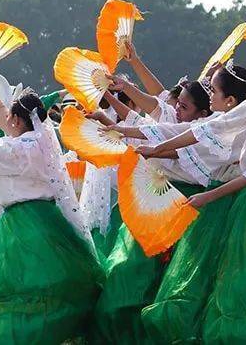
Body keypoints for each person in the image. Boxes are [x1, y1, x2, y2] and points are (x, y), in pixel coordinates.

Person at [0, 61, 101, 343]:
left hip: (19, 223)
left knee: (16, 290)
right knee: (47, 287)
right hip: (48, 220)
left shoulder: (12, 148)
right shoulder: (43, 140)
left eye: (11, 117)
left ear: (17, 121)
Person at [131, 62, 246, 343]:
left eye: (213, 90)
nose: (208, 94)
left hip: (229, 207)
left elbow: (190, 139)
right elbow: (185, 133)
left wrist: (156, 149)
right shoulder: (230, 119)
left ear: (230, 101)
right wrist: (148, 144)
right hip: (221, 202)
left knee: (210, 280)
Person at [91, 80, 212, 344]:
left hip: (183, 203)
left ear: (204, 112)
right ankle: (124, 331)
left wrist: (120, 127)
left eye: (184, 106)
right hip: (157, 198)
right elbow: (148, 116)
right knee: (131, 272)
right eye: (177, 103)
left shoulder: (205, 131)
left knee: (164, 277)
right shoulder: (176, 116)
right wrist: (113, 99)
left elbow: (158, 131)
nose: (177, 109)